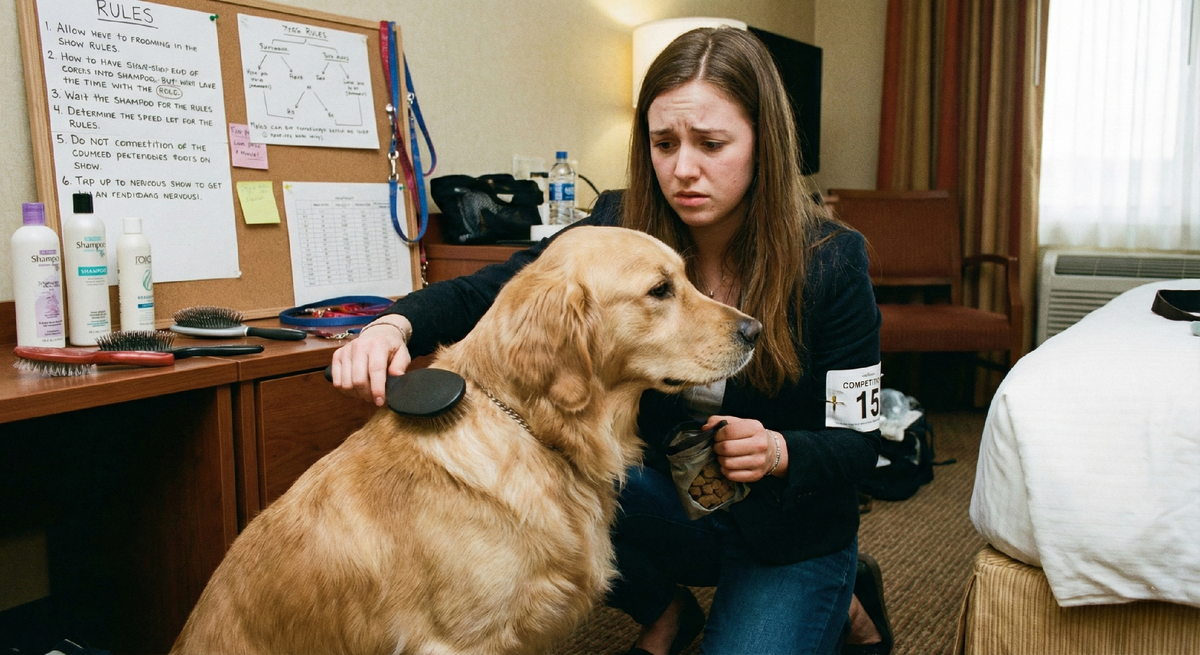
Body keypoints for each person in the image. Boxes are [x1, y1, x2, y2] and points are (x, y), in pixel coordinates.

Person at [332, 26, 891, 655]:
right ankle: (665, 609)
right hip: (670, 495)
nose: (683, 169)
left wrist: (780, 451)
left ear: (764, 142)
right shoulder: (620, 223)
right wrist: (392, 324)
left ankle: (843, 594)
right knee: (546, 481)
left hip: (790, 528)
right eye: (663, 143)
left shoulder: (834, 262)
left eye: (711, 144)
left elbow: (857, 446)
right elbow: (502, 286)